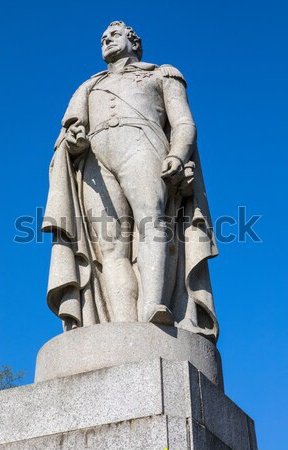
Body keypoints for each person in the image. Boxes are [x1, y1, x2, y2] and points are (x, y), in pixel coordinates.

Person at [42, 21, 219, 342]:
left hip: (143, 145)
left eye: (114, 34)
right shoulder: (88, 86)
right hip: (95, 160)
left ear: (134, 42)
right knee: (110, 247)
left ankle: (154, 304)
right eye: (102, 38)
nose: (107, 39)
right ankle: (122, 323)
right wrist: (74, 141)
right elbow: (70, 133)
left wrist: (178, 155)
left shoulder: (161, 74)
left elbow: (183, 123)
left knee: (153, 222)